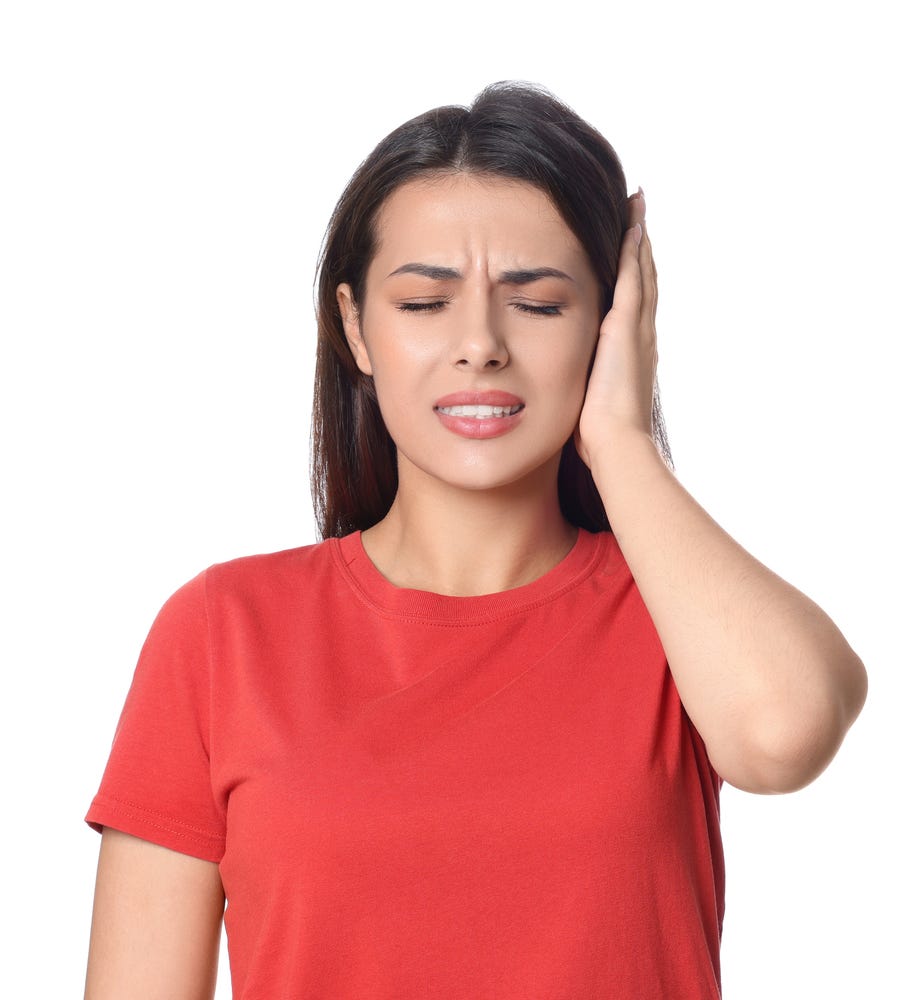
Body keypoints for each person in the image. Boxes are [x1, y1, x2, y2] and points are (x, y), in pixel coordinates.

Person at [83, 82, 867, 999]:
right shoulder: (222, 632)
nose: (480, 345)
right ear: (355, 329)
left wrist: (618, 439)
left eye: (537, 304)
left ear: (614, 327)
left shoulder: (676, 614)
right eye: (424, 304)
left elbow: (786, 734)